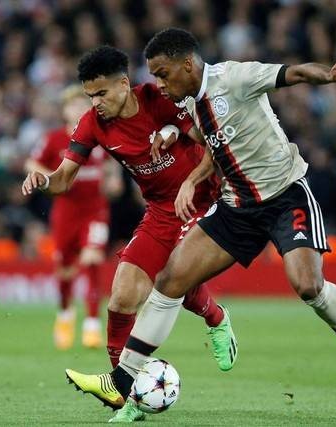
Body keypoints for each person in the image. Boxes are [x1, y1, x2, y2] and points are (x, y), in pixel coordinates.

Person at [85, 28, 336, 423]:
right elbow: (216, 149)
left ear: (187, 65)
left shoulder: (235, 78)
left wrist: (328, 75)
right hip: (237, 207)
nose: (159, 84)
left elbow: (292, 74)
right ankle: (122, 378)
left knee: (308, 285)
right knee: (171, 278)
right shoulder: (190, 103)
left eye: (163, 74)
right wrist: (191, 177)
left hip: (284, 196)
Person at [21, 45, 238, 420]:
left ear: (124, 84)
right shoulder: (92, 123)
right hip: (158, 211)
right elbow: (62, 181)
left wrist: (176, 134)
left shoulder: (159, 97)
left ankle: (216, 318)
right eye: (90, 95)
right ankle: (126, 395)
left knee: (173, 278)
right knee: (122, 297)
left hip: (200, 198)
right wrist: (44, 179)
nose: (96, 103)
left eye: (102, 93)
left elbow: (211, 142)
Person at [25, 84, 118, 350]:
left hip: (95, 210)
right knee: (65, 268)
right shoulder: (54, 139)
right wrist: (48, 178)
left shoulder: (101, 135)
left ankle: (91, 324)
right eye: (72, 105)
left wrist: (113, 180)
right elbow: (31, 163)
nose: (77, 109)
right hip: (65, 212)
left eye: (82, 104)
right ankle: (65, 314)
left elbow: (114, 161)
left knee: (92, 259)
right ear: (65, 111)